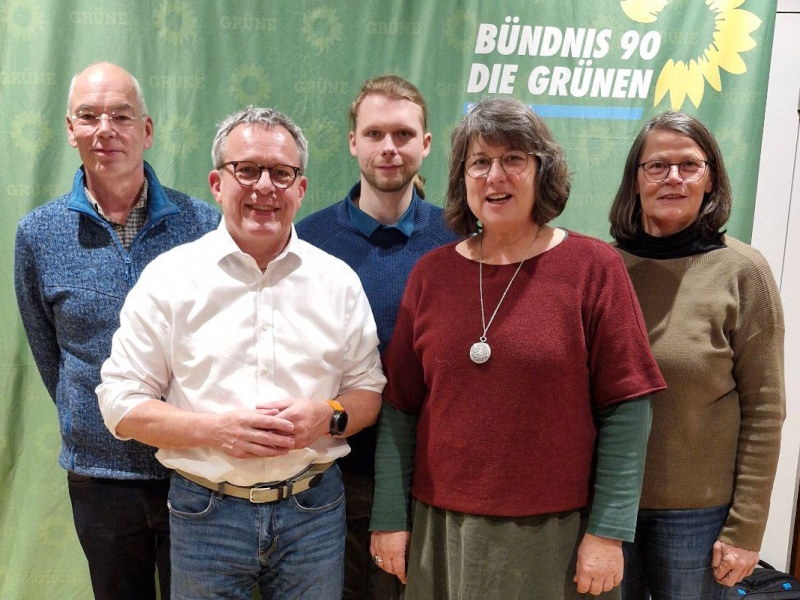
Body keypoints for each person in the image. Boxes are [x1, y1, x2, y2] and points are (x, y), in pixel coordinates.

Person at [369, 96, 667, 599]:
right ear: (463, 178)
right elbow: (400, 409)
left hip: (557, 536)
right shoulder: (431, 274)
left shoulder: (593, 268)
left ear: (541, 172)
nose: (495, 176)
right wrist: (389, 518)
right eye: (479, 162)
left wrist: (607, 532)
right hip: (443, 531)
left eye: (513, 160)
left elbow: (628, 409)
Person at [96, 106, 386, 600]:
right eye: (246, 170)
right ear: (217, 182)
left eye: (281, 172)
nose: (264, 187)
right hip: (205, 513)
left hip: (313, 513)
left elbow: (368, 392)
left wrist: (327, 415)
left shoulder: (337, 280)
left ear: (301, 188)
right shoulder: (170, 278)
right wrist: (216, 431)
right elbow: (119, 404)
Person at [13, 62, 219, 600]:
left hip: (194, 468)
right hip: (98, 475)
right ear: (70, 128)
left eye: (121, 116)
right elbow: (48, 350)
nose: (105, 129)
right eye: (89, 116)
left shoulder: (202, 224)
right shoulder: (38, 233)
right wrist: (86, 415)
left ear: (146, 130)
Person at [608, 111, 786, 598]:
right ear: (636, 179)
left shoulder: (743, 271)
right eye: (657, 166)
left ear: (711, 179)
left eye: (689, 165)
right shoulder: (604, 269)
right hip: (606, 508)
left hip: (699, 518)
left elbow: (766, 410)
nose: (673, 178)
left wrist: (746, 530)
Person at [296, 74, 459, 600]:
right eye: (374, 134)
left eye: (403, 134)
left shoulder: (463, 238)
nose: (389, 148)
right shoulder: (306, 241)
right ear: (352, 142)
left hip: (436, 476)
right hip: (330, 475)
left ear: (426, 144)